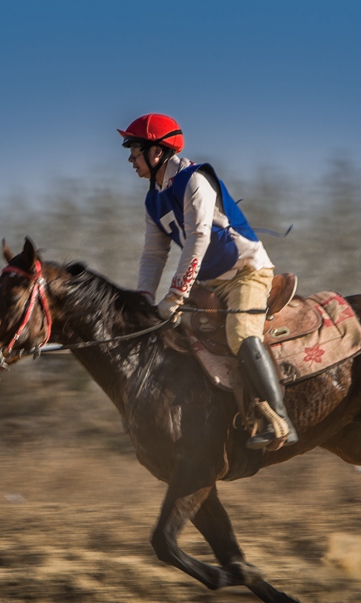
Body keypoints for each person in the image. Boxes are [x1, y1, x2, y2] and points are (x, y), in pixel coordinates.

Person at [118, 113, 298, 449]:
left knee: (239, 333)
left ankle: (279, 419)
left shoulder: (195, 180)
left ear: (157, 152)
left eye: (134, 148)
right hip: (209, 284)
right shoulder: (152, 199)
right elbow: (153, 255)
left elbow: (198, 237)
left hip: (247, 272)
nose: (130, 158)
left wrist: (175, 293)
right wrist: (144, 298)